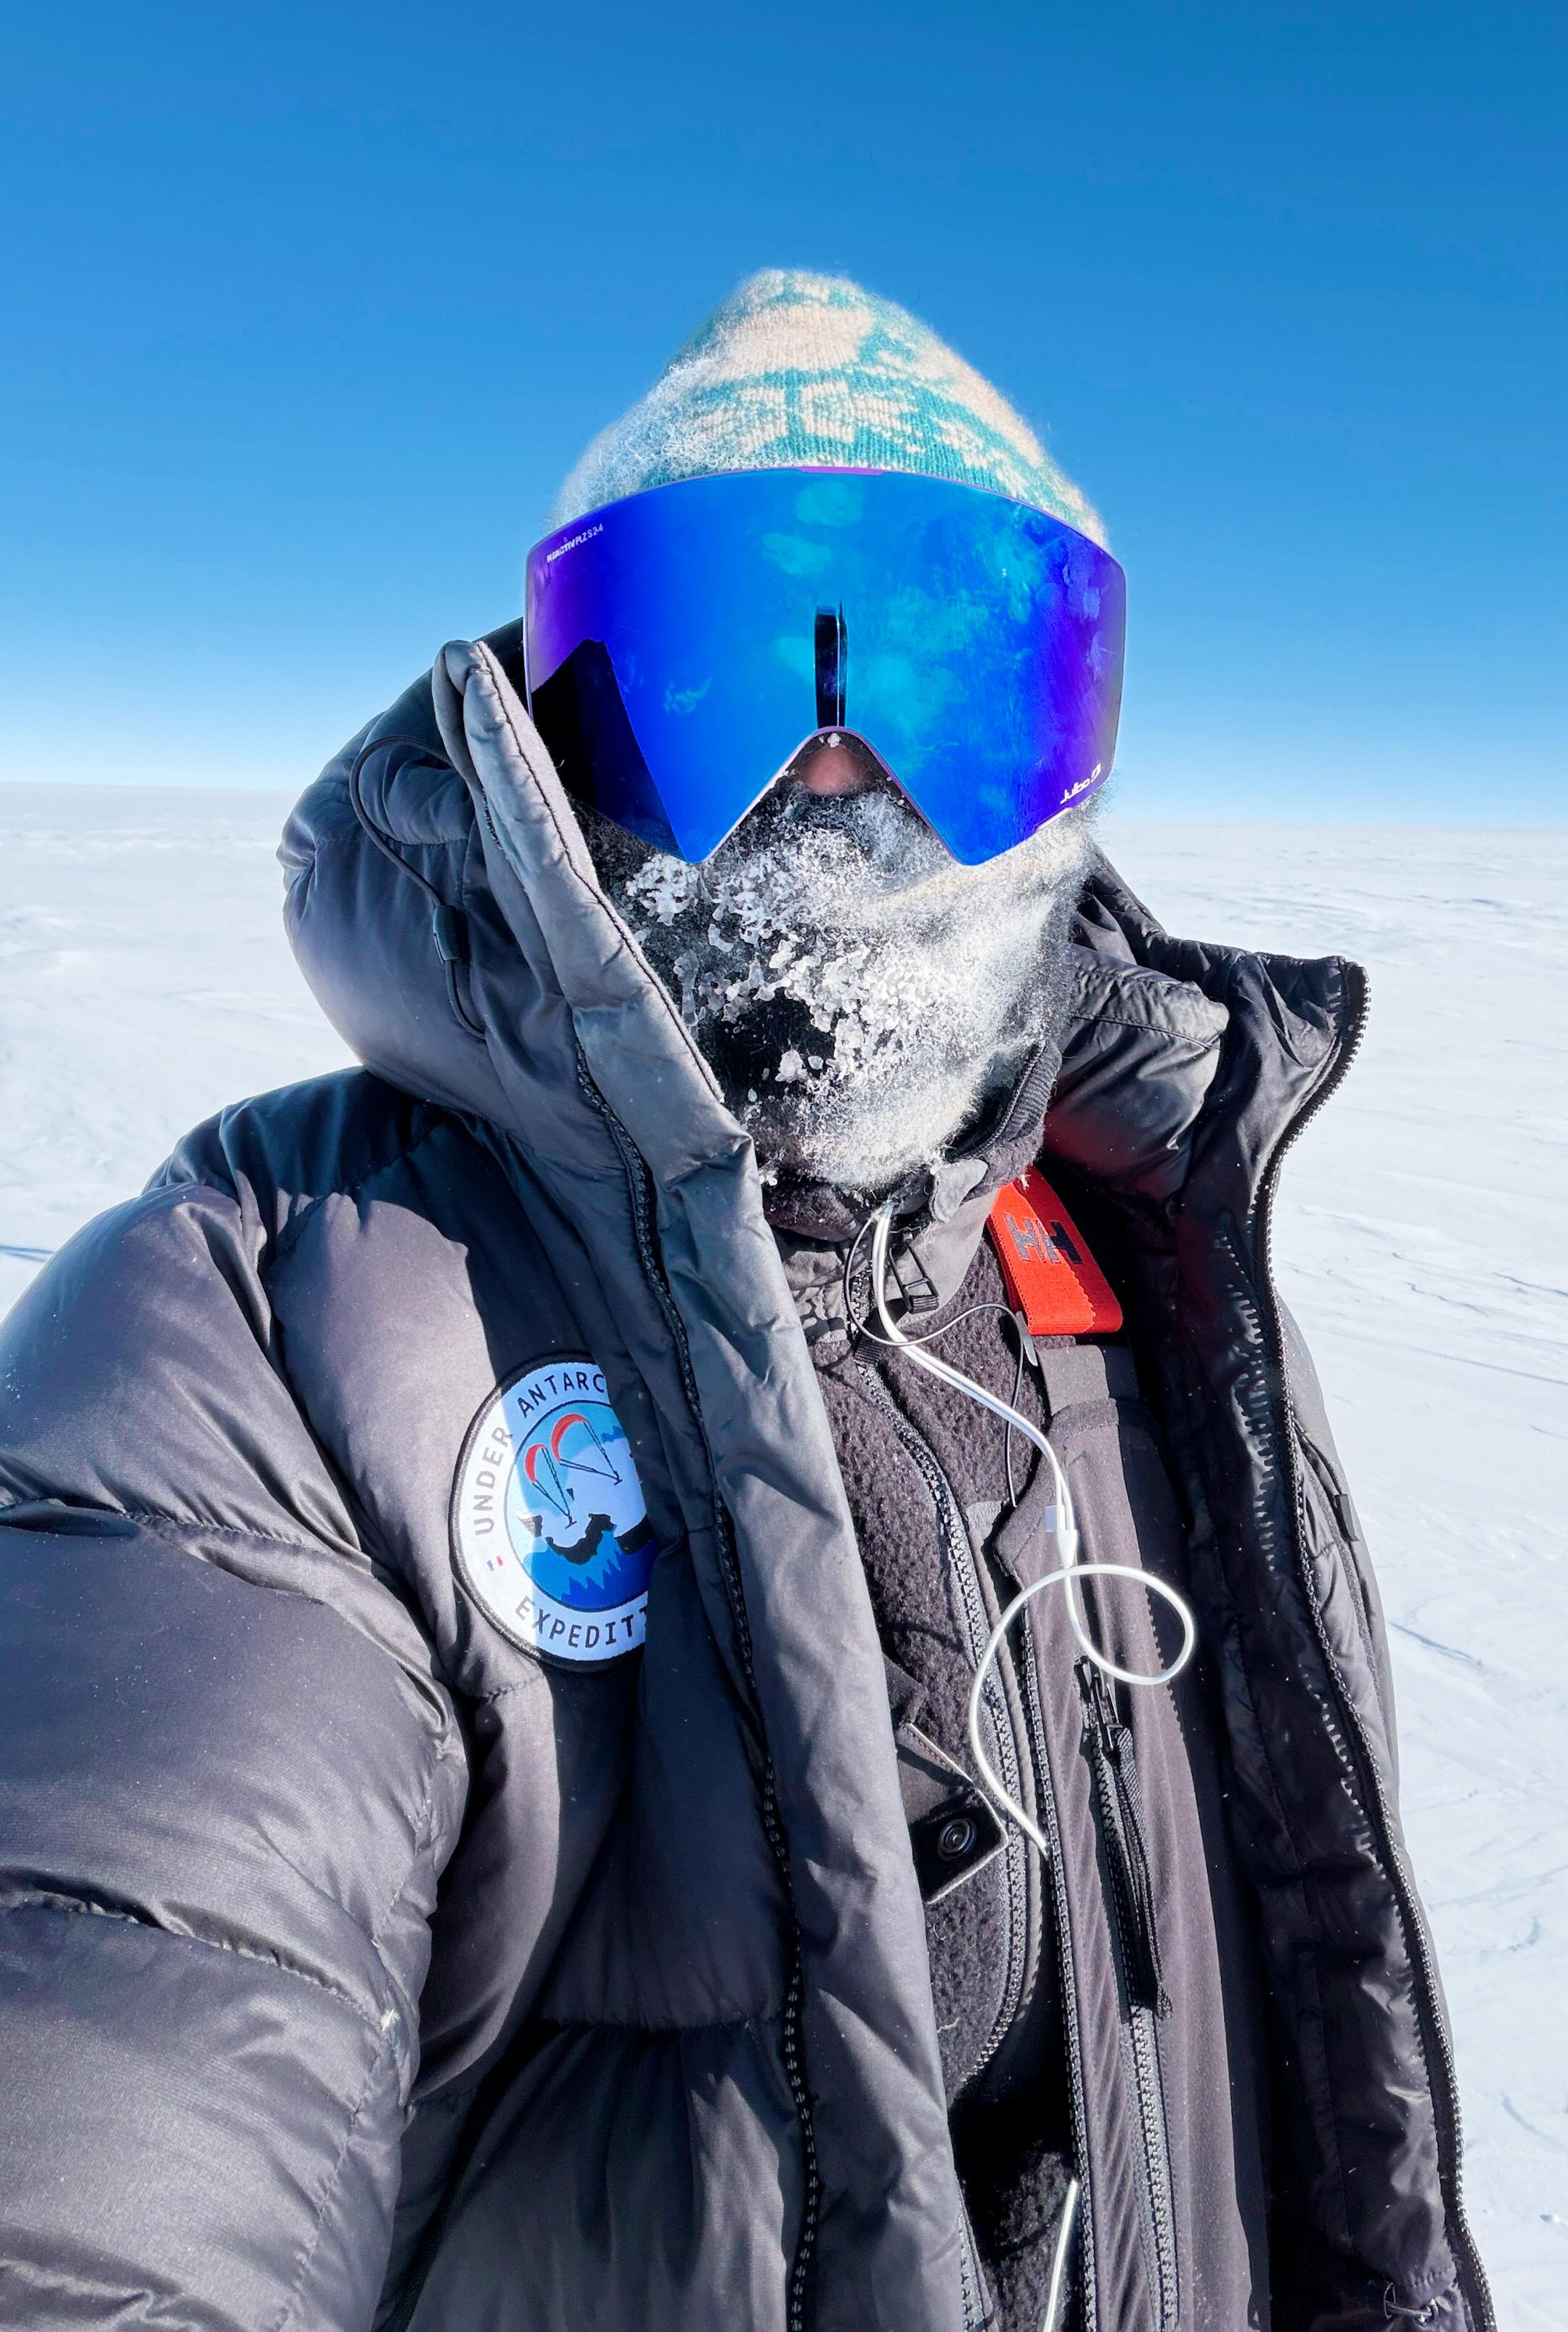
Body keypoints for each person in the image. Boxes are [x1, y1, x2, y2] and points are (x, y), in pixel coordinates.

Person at [0, 271, 1490, 2332]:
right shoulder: (268, 1318)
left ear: (1083, 748)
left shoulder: (1157, 1270)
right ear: (551, 728)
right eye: (724, 671)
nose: (835, 778)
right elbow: (126, 2062)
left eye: (959, 676)